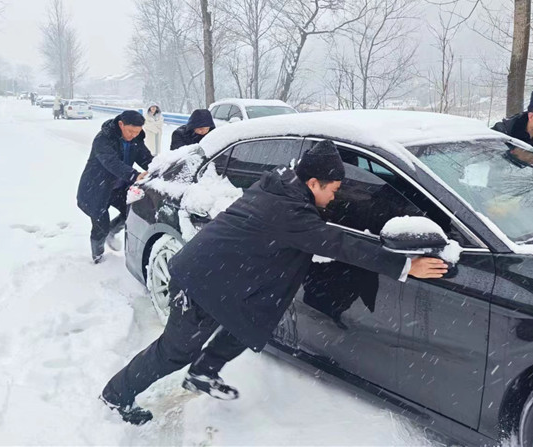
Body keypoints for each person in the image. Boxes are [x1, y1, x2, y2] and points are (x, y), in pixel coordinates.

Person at [100, 140, 448, 425]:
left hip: (226, 283)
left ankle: (203, 373)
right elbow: (338, 244)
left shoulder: (283, 188)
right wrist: (404, 265)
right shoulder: (288, 210)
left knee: (249, 323)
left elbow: (313, 234)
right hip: (200, 284)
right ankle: (115, 396)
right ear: (314, 183)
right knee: (173, 352)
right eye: (334, 189)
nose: (336, 197)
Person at [77, 110, 153, 264]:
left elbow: (145, 158)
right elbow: (111, 162)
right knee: (100, 226)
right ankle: (97, 258)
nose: (133, 135)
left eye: (137, 132)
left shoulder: (136, 140)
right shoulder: (103, 139)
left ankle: (112, 230)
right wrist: (134, 175)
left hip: (118, 187)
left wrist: (158, 168)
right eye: (130, 131)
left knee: (132, 212)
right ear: (120, 124)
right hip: (96, 188)